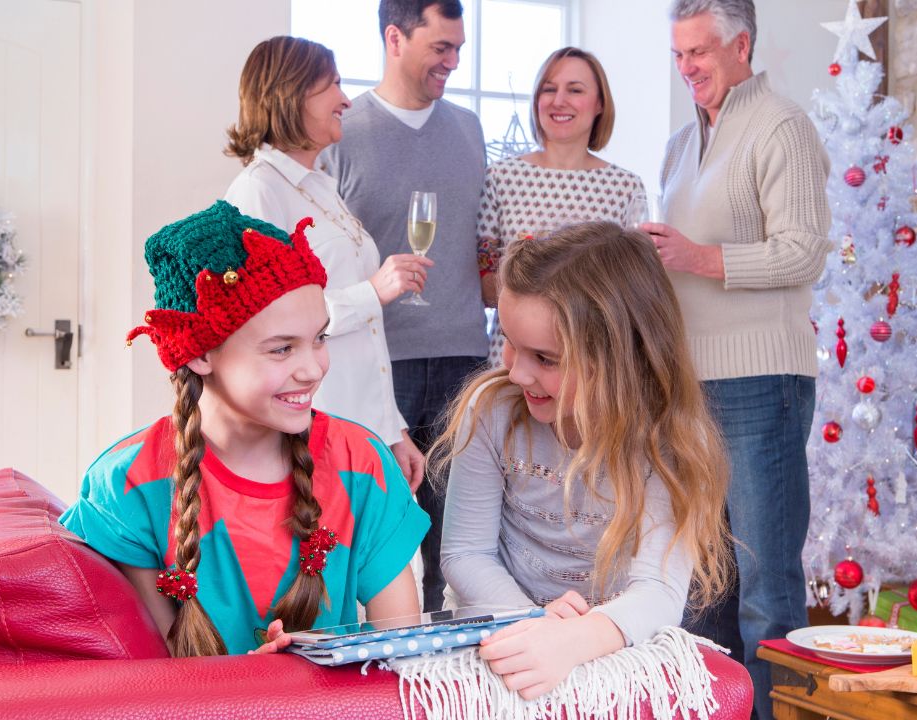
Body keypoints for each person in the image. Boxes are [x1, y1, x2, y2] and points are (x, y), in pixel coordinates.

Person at [60, 200, 429, 657]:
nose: (313, 369)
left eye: (320, 338)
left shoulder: (362, 462)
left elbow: (402, 654)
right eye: (281, 349)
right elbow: (151, 674)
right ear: (201, 354)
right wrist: (253, 683)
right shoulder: (129, 483)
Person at [436, 223, 733, 700]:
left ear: (620, 359)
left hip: (608, 649)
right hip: (497, 633)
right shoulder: (491, 411)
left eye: (545, 358)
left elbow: (657, 592)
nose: (517, 372)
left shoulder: (669, 441)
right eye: (509, 340)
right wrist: (533, 624)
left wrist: (573, 640)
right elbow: (465, 555)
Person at [651, 2, 831, 718]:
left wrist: (698, 258)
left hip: (761, 383)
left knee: (765, 589)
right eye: (678, 54)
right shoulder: (678, 144)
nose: (686, 67)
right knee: (704, 590)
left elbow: (803, 252)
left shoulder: (783, 127)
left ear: (741, 45)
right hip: (688, 388)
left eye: (698, 52)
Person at [319, 0, 488, 613]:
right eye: (441, 48)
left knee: (457, 536)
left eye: (459, 48)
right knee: (370, 528)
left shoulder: (469, 129)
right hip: (376, 364)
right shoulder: (344, 131)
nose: (453, 61)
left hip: (464, 357)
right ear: (395, 38)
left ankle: (448, 657)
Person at [223, 36, 430, 490]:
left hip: (363, 426)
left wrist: (392, 430)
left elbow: (365, 340)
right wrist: (373, 293)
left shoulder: (321, 186)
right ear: (291, 94)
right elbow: (263, 324)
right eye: (333, 85)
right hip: (312, 425)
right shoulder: (258, 191)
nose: (346, 100)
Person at [476, 46, 645, 365]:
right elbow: (487, 289)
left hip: (593, 362)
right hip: (512, 360)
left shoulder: (626, 187)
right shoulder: (500, 178)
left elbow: (630, 291)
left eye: (575, 90)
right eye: (549, 89)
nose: (559, 100)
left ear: (600, 103)